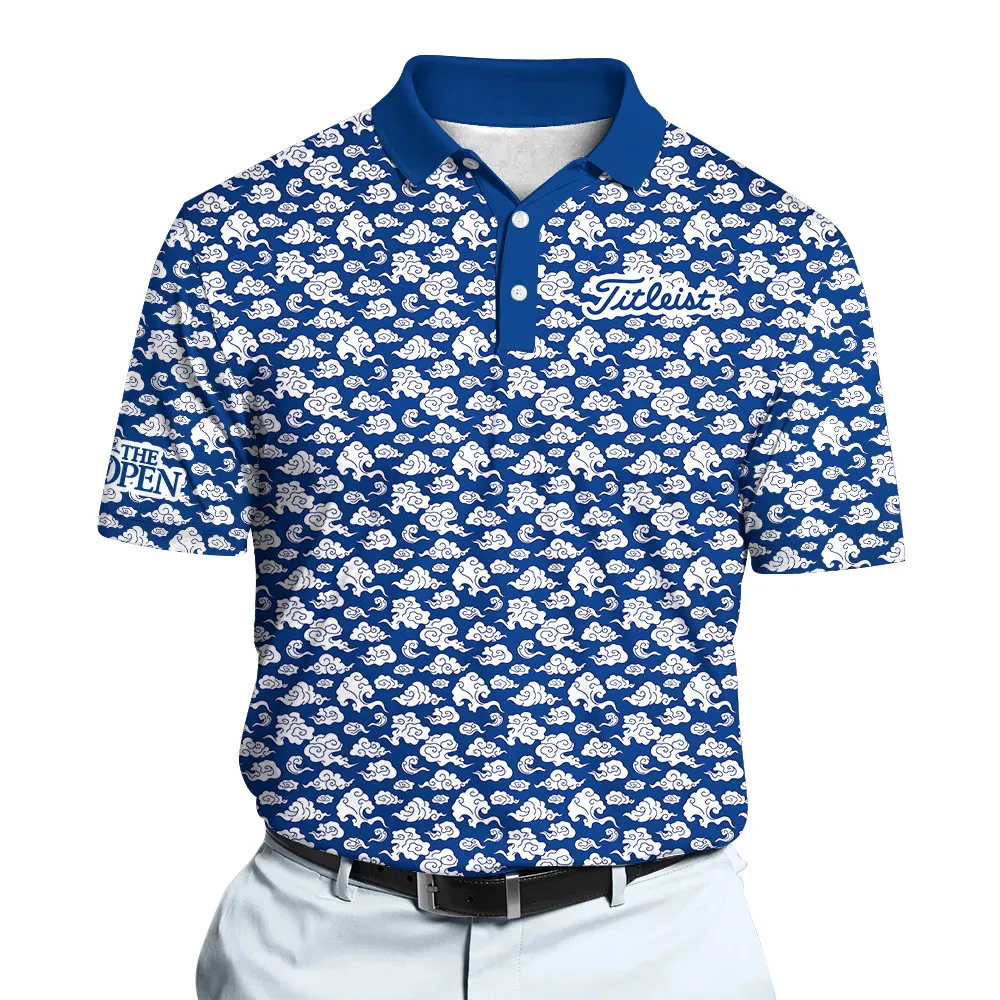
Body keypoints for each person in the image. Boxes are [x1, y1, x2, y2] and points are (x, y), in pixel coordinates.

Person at [98, 54, 905, 1000]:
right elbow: (164, 541)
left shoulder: (778, 252)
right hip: (324, 937)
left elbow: (828, 544)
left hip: (657, 941)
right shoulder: (239, 237)